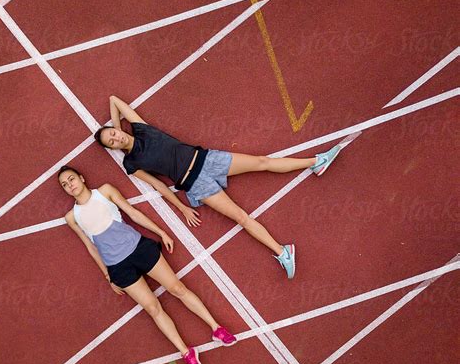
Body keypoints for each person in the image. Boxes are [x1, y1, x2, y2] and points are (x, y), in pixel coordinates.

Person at [94, 95, 342, 279]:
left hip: (207, 159)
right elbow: (159, 185)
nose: (116, 138)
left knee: (261, 162)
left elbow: (114, 100)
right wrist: (182, 208)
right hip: (195, 184)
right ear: (113, 149)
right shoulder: (132, 163)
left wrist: (114, 126)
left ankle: (316, 162)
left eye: (113, 134)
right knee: (241, 218)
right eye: (111, 142)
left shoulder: (140, 128)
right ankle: (282, 252)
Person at [58, 165, 237, 364]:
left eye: (71, 179)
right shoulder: (72, 217)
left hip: (139, 249)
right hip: (119, 268)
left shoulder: (105, 191)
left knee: (177, 288)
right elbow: (91, 247)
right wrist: (108, 276)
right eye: (65, 185)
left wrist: (161, 232)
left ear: (82, 177)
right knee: (153, 309)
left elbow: (132, 213)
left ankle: (216, 328)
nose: (70, 185)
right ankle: (186, 352)